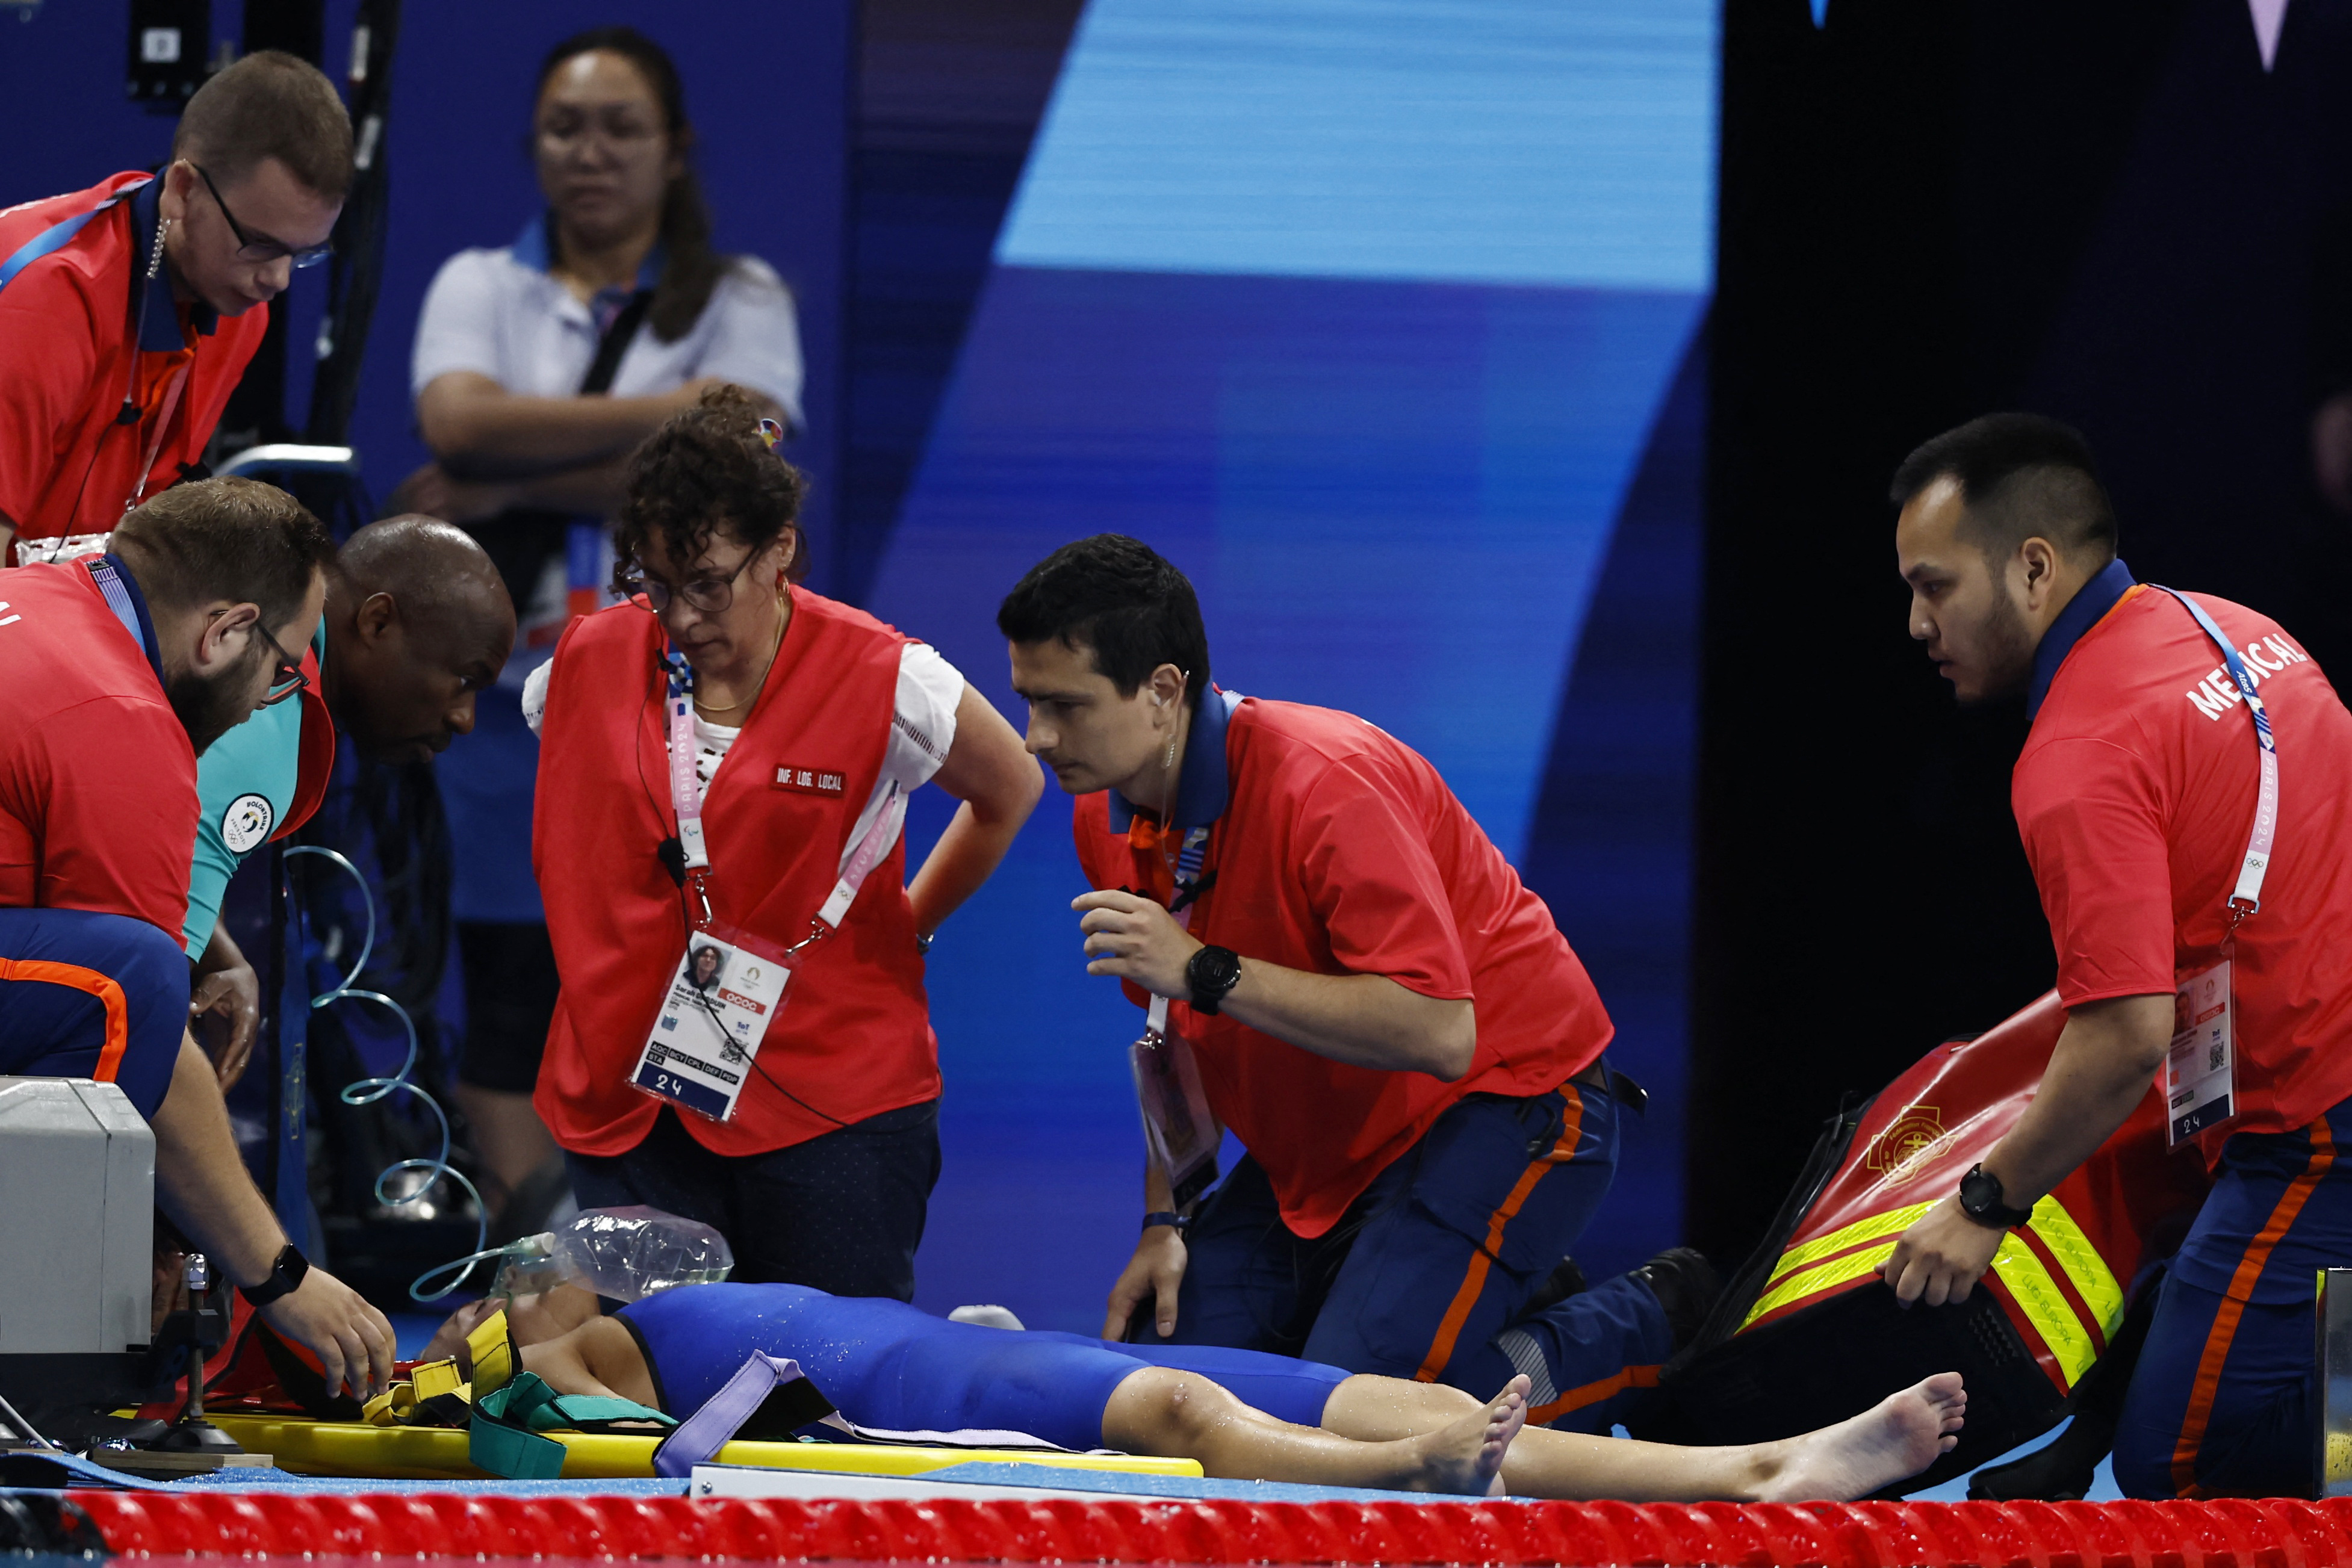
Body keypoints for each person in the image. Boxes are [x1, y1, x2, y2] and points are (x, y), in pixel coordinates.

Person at [997, 536, 1711, 1433]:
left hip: (1513, 1100)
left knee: (1348, 1420)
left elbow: (1438, 1030)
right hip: (1340, 1145)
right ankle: (1452, 1292)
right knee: (1167, 1400)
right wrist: (1164, 1220)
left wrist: (1202, 967)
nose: (1035, 739)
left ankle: (1644, 1323)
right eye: (1027, 702)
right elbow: (1172, 1039)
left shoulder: (1325, 781)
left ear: (1164, 691)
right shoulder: (1104, 815)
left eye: (1064, 706)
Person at [1881, 412, 2352, 1498]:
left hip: (2317, 1133)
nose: (1915, 623)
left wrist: (1980, 1207)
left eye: (1934, 585)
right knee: (2204, 1302)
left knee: (2180, 1465)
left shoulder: (2078, 749)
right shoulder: (2233, 627)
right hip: (2294, 1113)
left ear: (2032, 568)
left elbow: (2125, 1037)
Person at [397, 27, 805, 1226]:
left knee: (693, 958)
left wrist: (509, 473)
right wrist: (675, 424)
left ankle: (684, 1228)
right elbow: (453, 420)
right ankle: (545, 1237)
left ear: (674, 151)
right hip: (506, 712)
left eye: (622, 128)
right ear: (534, 146)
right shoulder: (482, 282)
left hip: (696, 704)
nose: (592, 152)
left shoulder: (743, 297)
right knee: (516, 977)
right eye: (568, 128)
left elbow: (745, 463)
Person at [527, 386, 1041, 1298]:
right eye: (656, 582)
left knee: (825, 1394)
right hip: (628, 1100)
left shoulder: (891, 679)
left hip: (834, 1102)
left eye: (708, 583)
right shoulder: (578, 665)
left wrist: (909, 920)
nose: (681, 616)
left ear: (778, 553)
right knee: (644, 1391)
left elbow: (1010, 791)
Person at [0, 477, 394, 1398]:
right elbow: (137, 1033)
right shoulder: (122, 719)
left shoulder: (35, 593)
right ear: (224, 633)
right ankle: (35, 1379)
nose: (274, 695)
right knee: (131, 981)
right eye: (285, 667)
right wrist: (279, 1275)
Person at [419, 1283, 1968, 1502]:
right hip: (951, 1383)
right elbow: (523, 1413)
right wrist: (453, 1360)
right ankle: (1399, 1485)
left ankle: (1764, 1459)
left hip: (960, 1338)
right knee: (1179, 1416)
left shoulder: (645, 1309)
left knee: (1387, 1384)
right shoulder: (580, 1360)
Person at [177, 516, 515, 1092]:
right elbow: (141, 985)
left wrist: (215, 949)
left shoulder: (253, 631)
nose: (465, 718)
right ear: (377, 620)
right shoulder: (264, 718)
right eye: (463, 678)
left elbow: (162, 872)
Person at [0, 52, 350, 566]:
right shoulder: (44, 303)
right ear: (182, 192)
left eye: (302, 254)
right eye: (259, 243)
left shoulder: (238, 311)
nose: (276, 280)